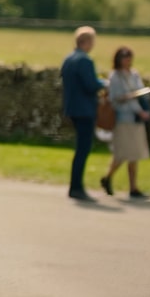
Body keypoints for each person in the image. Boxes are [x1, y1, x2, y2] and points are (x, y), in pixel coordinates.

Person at [61, 26, 106, 202]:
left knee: (80, 149)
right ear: (86, 42)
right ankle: (77, 187)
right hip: (85, 109)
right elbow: (90, 85)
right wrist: (103, 83)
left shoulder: (69, 59)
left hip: (72, 108)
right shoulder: (85, 61)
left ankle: (76, 185)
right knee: (83, 149)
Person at [101, 46, 150, 199]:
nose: (128, 61)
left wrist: (143, 108)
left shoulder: (134, 74)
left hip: (135, 120)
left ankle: (133, 187)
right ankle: (108, 177)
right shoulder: (115, 77)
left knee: (134, 154)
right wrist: (138, 109)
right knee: (122, 153)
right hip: (124, 119)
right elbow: (117, 98)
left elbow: (139, 93)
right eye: (125, 58)